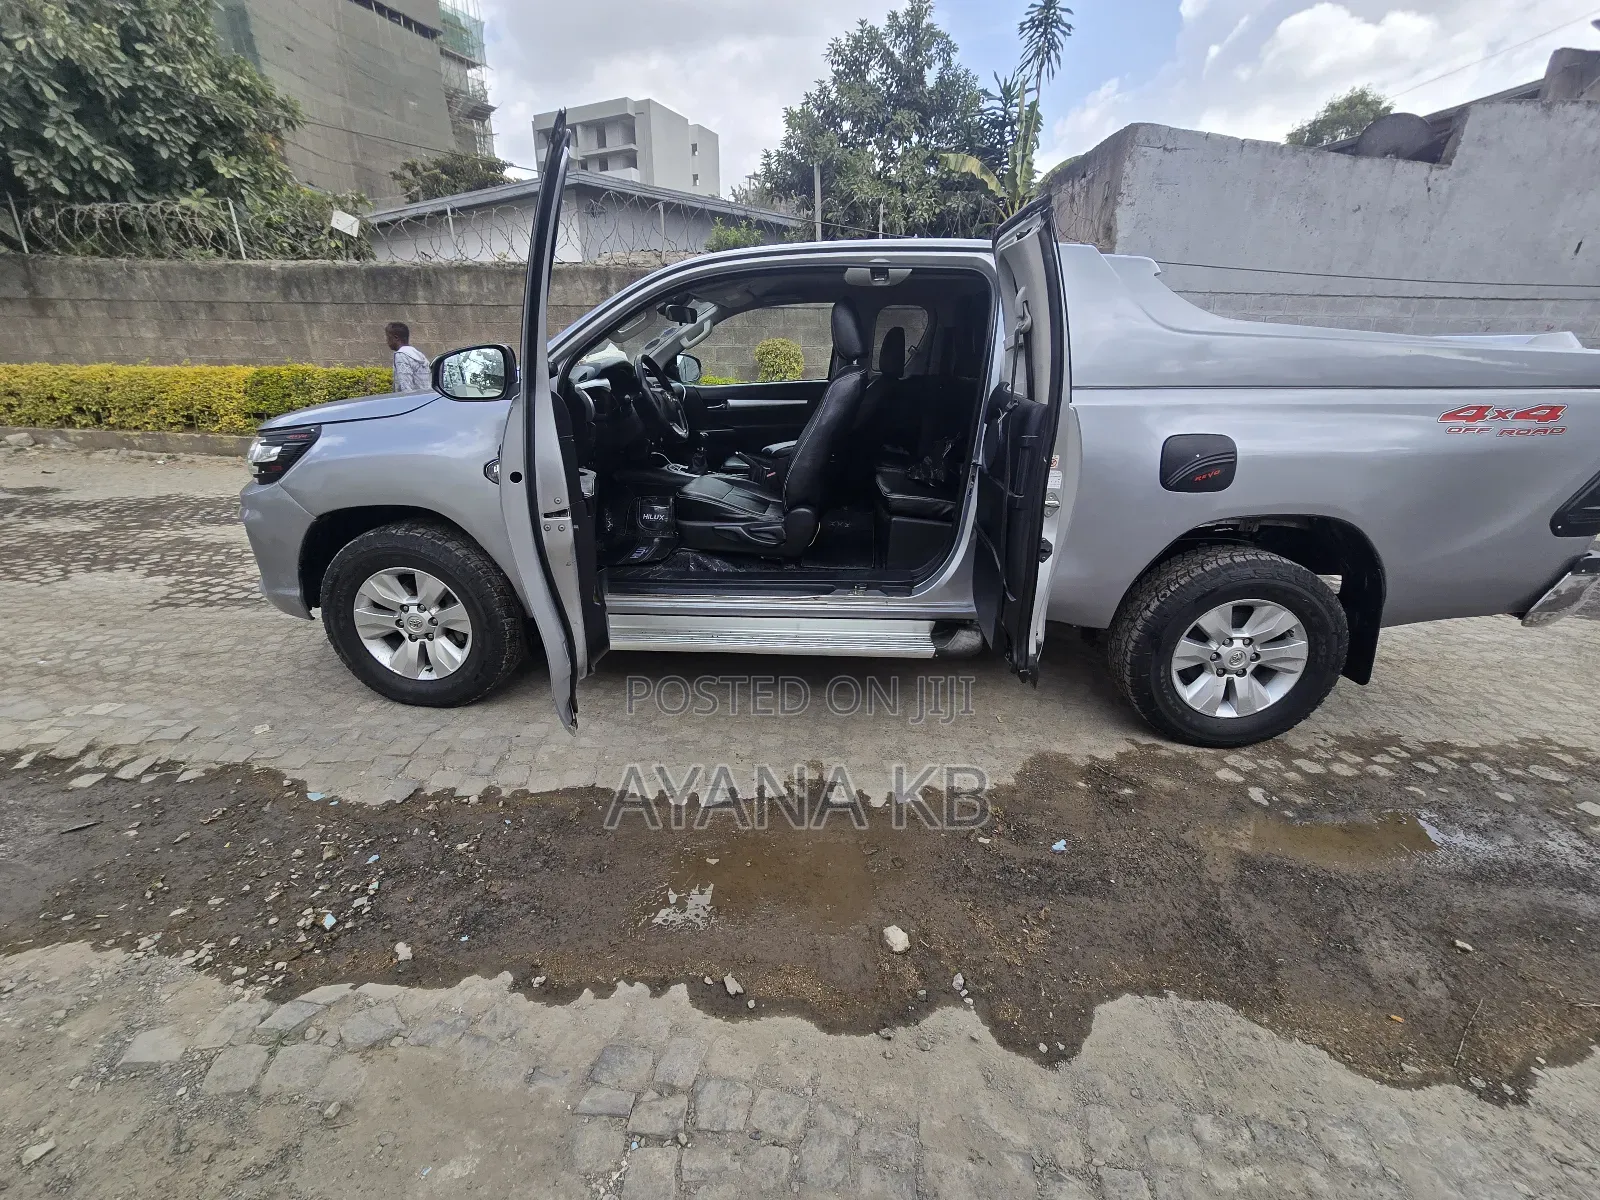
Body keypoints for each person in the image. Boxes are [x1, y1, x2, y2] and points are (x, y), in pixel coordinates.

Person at [386, 322, 430, 393]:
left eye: (388, 337)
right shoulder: (419, 354)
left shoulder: (401, 355)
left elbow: (405, 387)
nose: (387, 341)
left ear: (396, 338)